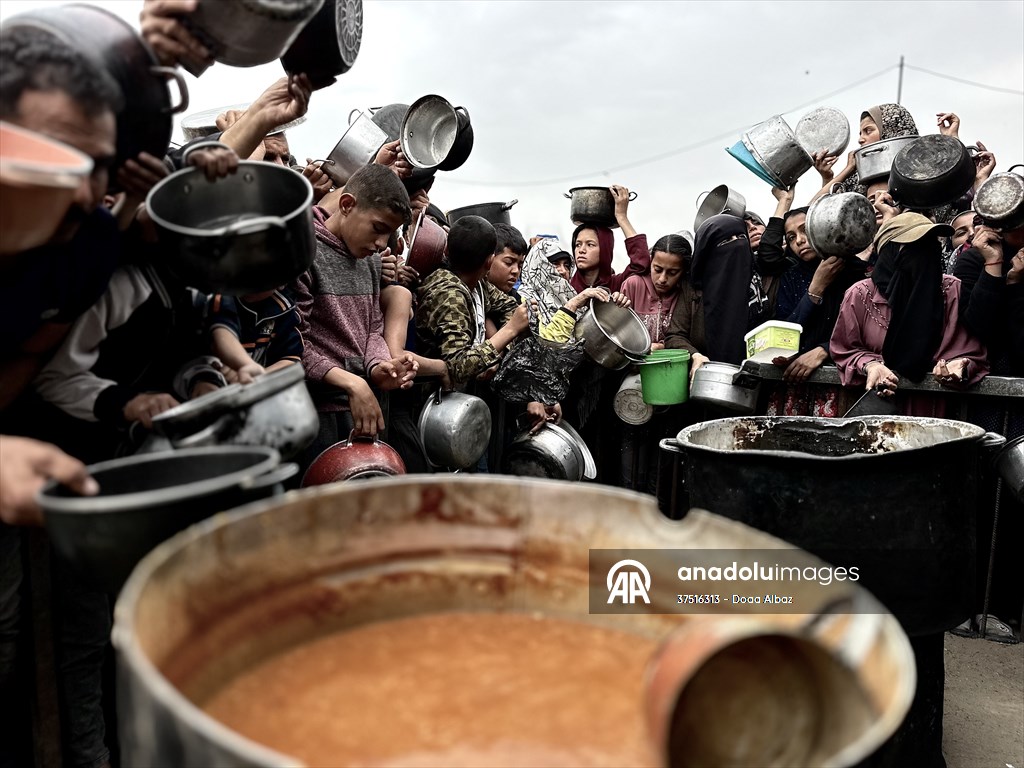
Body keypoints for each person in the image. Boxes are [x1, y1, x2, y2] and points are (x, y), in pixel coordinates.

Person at [293, 164, 418, 466]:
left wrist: (380, 366)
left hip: (366, 408)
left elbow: (372, 328)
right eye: (378, 228)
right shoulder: (304, 250)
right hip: (316, 413)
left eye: (389, 235)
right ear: (347, 205)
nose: (381, 244)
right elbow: (293, 341)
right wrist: (351, 382)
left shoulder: (371, 261)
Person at [831, 212, 990, 416]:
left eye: (929, 245)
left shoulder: (952, 291)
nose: (924, 254)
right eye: (914, 247)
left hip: (936, 415)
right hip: (876, 412)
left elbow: (975, 354)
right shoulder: (860, 295)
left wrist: (961, 365)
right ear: (889, 253)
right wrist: (870, 365)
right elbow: (844, 350)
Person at [415, 216, 529, 390]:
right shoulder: (449, 294)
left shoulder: (479, 283)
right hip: (431, 401)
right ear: (490, 260)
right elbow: (458, 367)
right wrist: (509, 331)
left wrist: (497, 351)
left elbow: (510, 307)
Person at [664, 215, 755, 372]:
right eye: (726, 241)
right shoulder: (693, 290)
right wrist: (695, 355)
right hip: (707, 379)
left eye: (741, 237)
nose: (737, 244)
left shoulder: (761, 283)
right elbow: (675, 336)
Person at [208, 288, 303, 383]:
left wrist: (256, 379)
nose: (251, 281)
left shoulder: (283, 308)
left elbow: (290, 358)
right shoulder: (220, 300)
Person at [569, 185, 650, 293]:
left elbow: (641, 263)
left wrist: (621, 216)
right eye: (578, 244)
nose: (581, 250)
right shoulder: (566, 288)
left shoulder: (616, 285)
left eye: (590, 244)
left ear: (605, 249)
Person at [620, 234, 689, 349]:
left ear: (684, 271)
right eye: (657, 269)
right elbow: (620, 331)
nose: (662, 279)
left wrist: (662, 347)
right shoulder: (633, 285)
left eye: (672, 273)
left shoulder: (685, 293)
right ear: (651, 261)